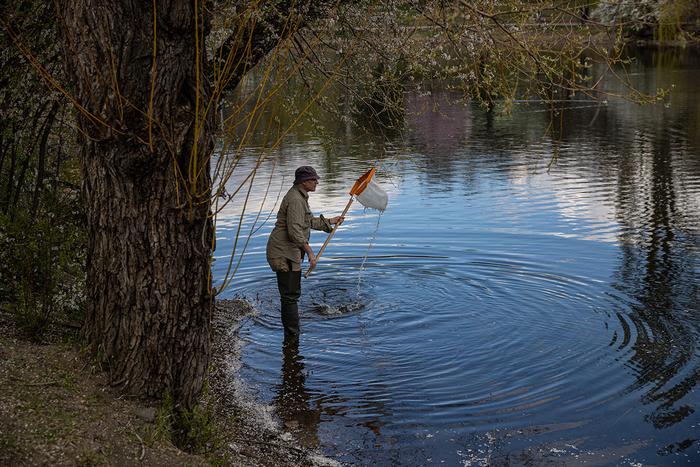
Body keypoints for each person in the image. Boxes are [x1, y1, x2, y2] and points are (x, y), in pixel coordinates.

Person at [266, 166, 344, 340]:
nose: (317, 182)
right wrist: (310, 253)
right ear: (303, 182)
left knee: (292, 294)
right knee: (290, 296)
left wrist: (331, 221)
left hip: (290, 252)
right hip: (283, 253)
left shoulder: (300, 197)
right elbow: (294, 231)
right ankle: (292, 335)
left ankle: (292, 335)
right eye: (313, 179)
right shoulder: (295, 199)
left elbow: (307, 221)